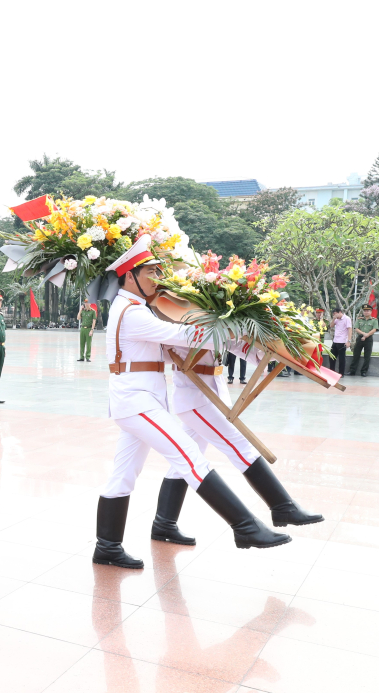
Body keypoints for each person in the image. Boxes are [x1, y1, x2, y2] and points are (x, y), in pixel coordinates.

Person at [95, 235, 288, 570]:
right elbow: (183, 336)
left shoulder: (137, 309)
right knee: (188, 455)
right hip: (136, 401)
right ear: (130, 276)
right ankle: (245, 526)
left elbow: (176, 346)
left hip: (141, 398)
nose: (157, 278)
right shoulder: (131, 312)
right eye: (151, 272)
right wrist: (230, 322)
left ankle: (107, 547)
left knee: (123, 475)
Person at [152, 339, 323, 546]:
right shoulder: (178, 314)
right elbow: (184, 340)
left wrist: (267, 351)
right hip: (196, 396)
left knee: (181, 465)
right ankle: (282, 507)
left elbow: (229, 342)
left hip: (210, 393)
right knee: (240, 447)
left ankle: (164, 524)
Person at [349, 304, 376, 377]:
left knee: (367, 356)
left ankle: (364, 371)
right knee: (356, 354)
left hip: (369, 339)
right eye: (365, 311)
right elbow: (356, 328)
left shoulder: (374, 320)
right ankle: (352, 371)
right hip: (360, 338)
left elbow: (374, 329)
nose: (366, 312)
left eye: (368, 311)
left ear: (370, 312)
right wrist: (364, 334)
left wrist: (367, 335)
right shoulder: (359, 319)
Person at [329, 308, 351, 375]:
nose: (335, 315)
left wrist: (349, 341)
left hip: (342, 341)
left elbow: (350, 329)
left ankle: (341, 373)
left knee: (341, 358)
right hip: (335, 340)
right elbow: (331, 325)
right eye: (333, 314)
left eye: (335, 314)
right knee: (331, 356)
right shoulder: (336, 319)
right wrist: (333, 319)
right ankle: (332, 371)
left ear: (340, 312)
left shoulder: (347, 318)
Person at [76, 298, 96, 362]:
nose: (86, 304)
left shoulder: (93, 311)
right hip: (82, 329)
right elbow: (78, 318)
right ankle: (81, 357)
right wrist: (80, 310)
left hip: (89, 328)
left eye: (87, 302)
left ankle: (88, 357)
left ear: (90, 303)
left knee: (88, 344)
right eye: (85, 302)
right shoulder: (83, 311)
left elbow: (94, 321)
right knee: (82, 343)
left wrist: (92, 330)